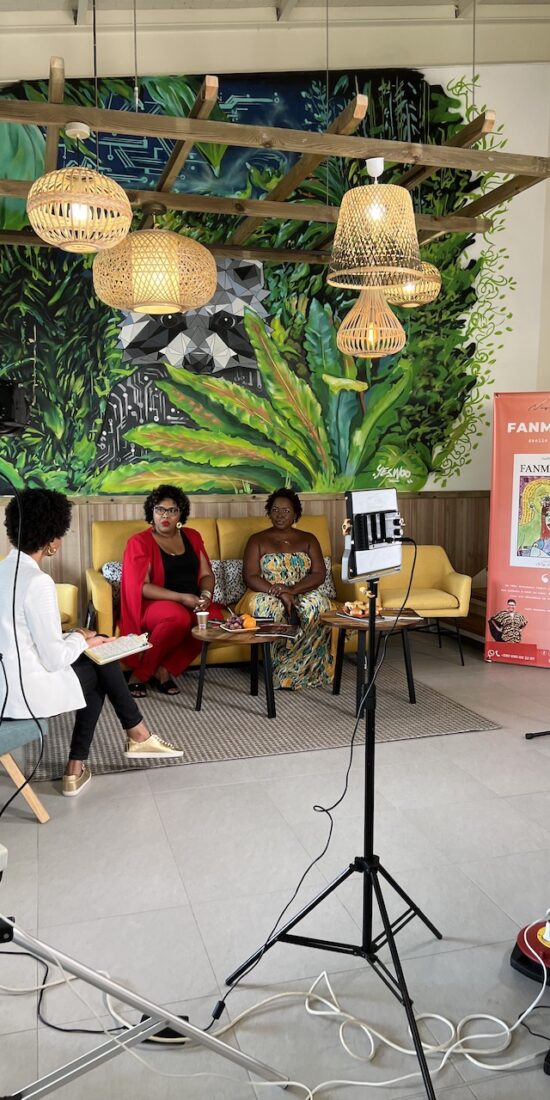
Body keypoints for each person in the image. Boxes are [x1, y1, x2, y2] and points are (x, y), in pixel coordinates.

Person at [0, 489, 183, 799]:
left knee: (97, 655)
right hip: (27, 697)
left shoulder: (3, 571)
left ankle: (93, 759)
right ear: (52, 540)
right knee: (102, 666)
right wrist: (81, 638)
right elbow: (54, 659)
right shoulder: (38, 582)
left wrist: (82, 637)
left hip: (4, 689)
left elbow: (21, 639)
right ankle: (129, 738)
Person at [119, 484, 224, 696]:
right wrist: (182, 598)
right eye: (160, 509)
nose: (165, 516)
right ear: (151, 512)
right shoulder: (139, 541)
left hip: (191, 600)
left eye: (172, 510)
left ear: (180, 514)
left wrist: (205, 596)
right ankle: (140, 674)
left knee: (214, 620)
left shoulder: (192, 536)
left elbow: (206, 575)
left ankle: (165, 670)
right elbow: (142, 587)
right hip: (154, 604)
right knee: (177, 618)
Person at [241, 488, 333, 689]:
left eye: (286, 511)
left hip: (302, 590)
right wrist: (280, 592)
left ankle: (308, 668)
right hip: (265, 591)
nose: (280, 515)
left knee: (318, 605)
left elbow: (319, 574)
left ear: (295, 514)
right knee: (270, 609)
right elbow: (250, 576)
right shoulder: (257, 539)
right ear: (269, 513)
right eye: (275, 510)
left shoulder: (309, 539)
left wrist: (292, 590)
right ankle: (280, 671)